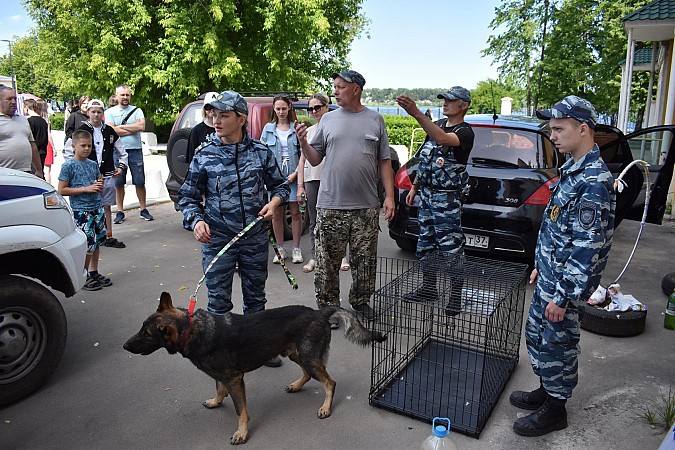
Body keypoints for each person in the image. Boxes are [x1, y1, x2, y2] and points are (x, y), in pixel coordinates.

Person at [509, 95, 616, 437]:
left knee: (558, 344)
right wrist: (541, 266)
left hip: (563, 286)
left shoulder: (594, 181)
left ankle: (556, 410)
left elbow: (588, 247)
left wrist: (564, 295)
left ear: (583, 129)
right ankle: (547, 391)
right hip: (551, 276)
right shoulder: (573, 169)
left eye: (558, 129)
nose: (552, 136)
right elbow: (558, 228)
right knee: (540, 338)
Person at [178, 90, 289, 367]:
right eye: (213, 114)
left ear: (241, 119)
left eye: (224, 115)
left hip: (253, 239)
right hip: (217, 240)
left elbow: (281, 186)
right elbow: (188, 197)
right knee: (217, 302)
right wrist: (197, 221)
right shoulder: (204, 154)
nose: (216, 120)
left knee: (255, 299)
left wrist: (274, 203)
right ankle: (222, 353)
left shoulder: (260, 152)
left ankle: (259, 349)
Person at [296, 70, 395, 322]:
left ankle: (360, 301)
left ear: (356, 89)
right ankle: (328, 309)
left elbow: (384, 161)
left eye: (340, 87)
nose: (335, 91)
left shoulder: (375, 120)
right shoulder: (328, 120)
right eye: (335, 87)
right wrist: (303, 143)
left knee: (365, 260)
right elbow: (315, 157)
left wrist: (390, 197)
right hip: (331, 204)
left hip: (366, 207)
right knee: (327, 262)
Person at [396, 87, 475, 313]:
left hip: (446, 199)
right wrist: (414, 188)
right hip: (427, 196)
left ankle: (456, 297)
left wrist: (417, 113)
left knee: (451, 248)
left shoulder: (465, 132)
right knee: (424, 245)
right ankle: (429, 289)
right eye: (444, 99)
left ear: (464, 105)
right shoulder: (437, 125)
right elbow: (426, 160)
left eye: (451, 100)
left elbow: (442, 140)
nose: (446, 103)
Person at [296, 93, 350, 279]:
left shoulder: (337, 127)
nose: (314, 112)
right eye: (310, 109)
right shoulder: (309, 132)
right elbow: (302, 161)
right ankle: (315, 256)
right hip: (312, 179)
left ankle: (341, 256)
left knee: (338, 220)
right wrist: (300, 186)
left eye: (317, 107)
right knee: (314, 221)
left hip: (333, 180)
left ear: (327, 106)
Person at [57, 130, 113, 291]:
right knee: (88, 243)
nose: (86, 148)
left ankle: (94, 271)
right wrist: (86, 189)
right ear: (74, 146)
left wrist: (99, 184)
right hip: (81, 210)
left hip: (97, 207)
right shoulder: (68, 166)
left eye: (89, 145)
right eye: (83, 145)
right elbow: (62, 189)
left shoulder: (92, 164)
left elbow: (98, 177)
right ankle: (84, 274)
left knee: (97, 242)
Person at [78, 98, 129, 249]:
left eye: (99, 112)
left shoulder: (109, 131)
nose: (96, 115)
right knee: (88, 206)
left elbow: (122, 152)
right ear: (88, 113)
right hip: (88, 176)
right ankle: (89, 236)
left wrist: (121, 166)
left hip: (106, 175)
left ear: (103, 113)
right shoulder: (82, 130)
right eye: (93, 112)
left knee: (106, 206)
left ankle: (108, 235)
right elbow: (70, 150)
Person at [261, 95, 303, 264]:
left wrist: (296, 174)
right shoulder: (268, 129)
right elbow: (263, 154)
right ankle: (280, 248)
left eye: (284, 108)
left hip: (293, 175)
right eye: (278, 109)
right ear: (274, 109)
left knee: (295, 213)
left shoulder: (296, 128)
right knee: (277, 214)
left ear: (289, 108)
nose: (281, 112)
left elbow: (303, 154)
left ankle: (296, 249)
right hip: (275, 178)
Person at [107, 84, 153, 223]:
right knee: (118, 182)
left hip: (135, 150)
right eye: (123, 95)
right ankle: (120, 211)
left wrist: (119, 127)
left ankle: (143, 209)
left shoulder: (137, 110)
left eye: (127, 95)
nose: (125, 97)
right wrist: (131, 129)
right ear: (117, 96)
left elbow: (141, 127)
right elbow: (111, 131)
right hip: (117, 151)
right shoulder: (110, 112)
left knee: (139, 181)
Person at [0, 86, 44, 179]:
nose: (13, 102)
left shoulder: (22, 119)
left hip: (26, 173)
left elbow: (33, 146)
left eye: (15, 98)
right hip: (4, 173)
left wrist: (39, 170)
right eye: (9, 99)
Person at [186, 92, 217, 164]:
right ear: (204, 109)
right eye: (208, 107)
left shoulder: (226, 129)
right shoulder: (197, 131)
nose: (212, 110)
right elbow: (191, 159)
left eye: (215, 107)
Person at [23, 99, 49, 173]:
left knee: (34, 172)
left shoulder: (29, 121)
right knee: (41, 171)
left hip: (34, 152)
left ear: (26, 108)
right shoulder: (43, 121)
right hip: (43, 150)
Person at [37, 99, 56, 184]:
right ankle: (48, 186)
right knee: (47, 169)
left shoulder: (34, 118)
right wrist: (54, 147)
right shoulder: (46, 118)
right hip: (47, 143)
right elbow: (49, 134)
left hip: (38, 143)